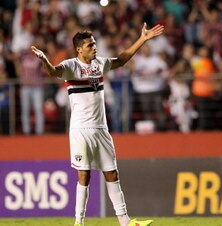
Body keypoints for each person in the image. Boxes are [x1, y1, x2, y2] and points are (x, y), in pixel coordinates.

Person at [31, 23, 164, 226]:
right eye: (90, 45)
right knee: (84, 175)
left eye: (94, 44)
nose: (95, 47)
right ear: (79, 49)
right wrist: (44, 60)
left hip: (102, 129)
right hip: (81, 130)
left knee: (112, 173)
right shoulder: (71, 66)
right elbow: (53, 72)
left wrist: (142, 39)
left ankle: (126, 222)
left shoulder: (98, 64)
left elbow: (121, 60)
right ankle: (79, 222)